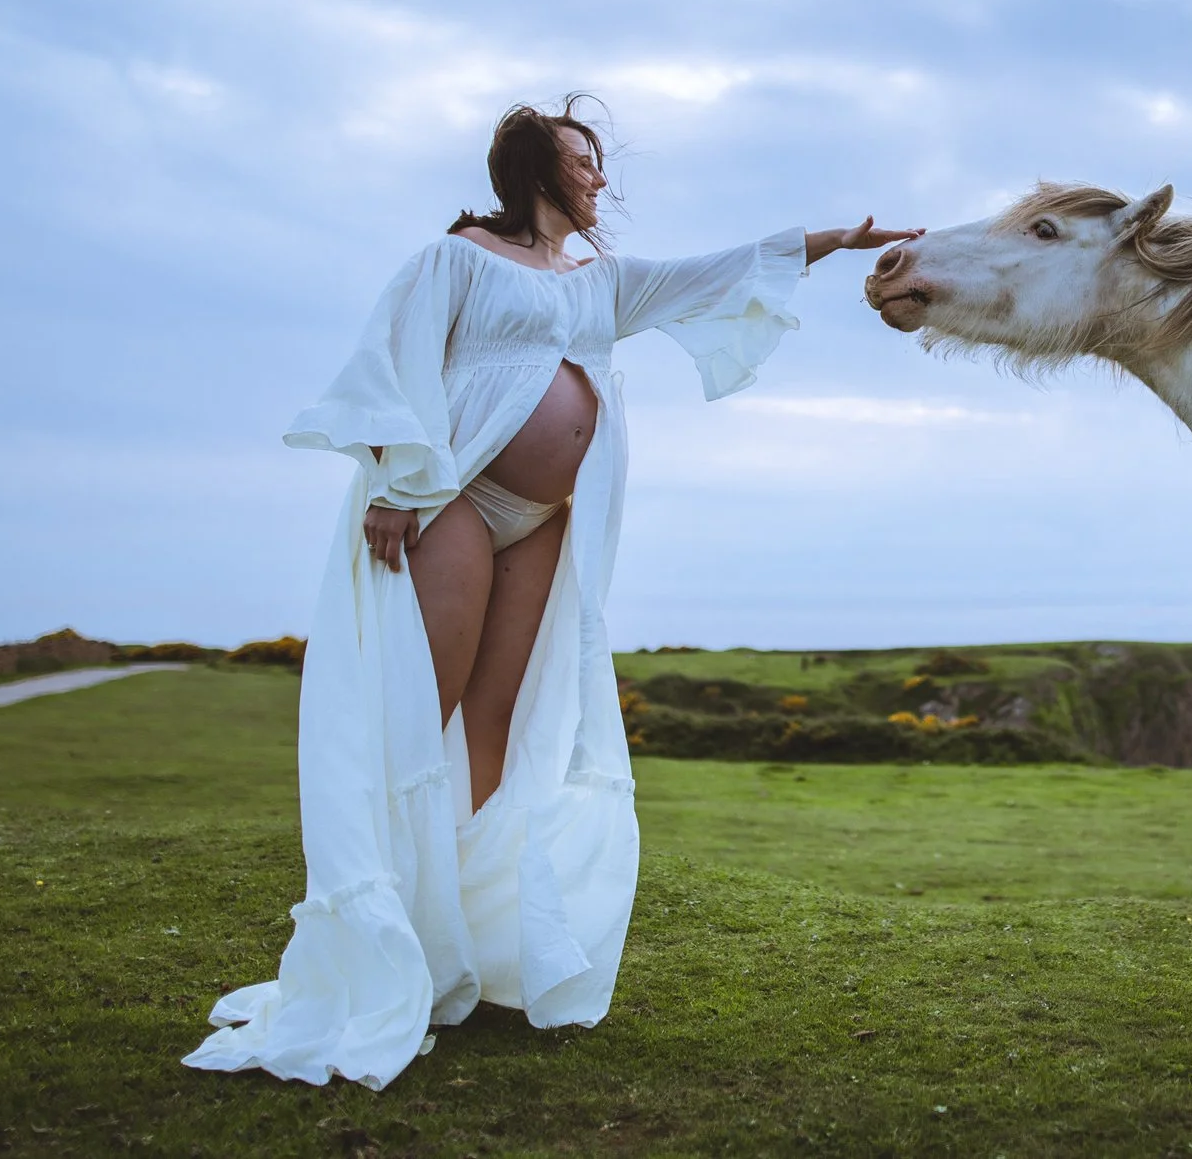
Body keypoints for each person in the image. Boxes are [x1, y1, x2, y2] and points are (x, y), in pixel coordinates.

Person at [186, 96, 916, 1090]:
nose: (601, 178)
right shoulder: (457, 260)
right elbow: (391, 361)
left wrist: (837, 238)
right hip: (453, 494)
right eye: (585, 159)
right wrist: (398, 485)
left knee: (496, 717)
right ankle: (384, 933)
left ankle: (471, 944)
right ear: (537, 167)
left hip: (544, 519)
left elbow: (713, 272)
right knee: (421, 708)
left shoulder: (598, 281)